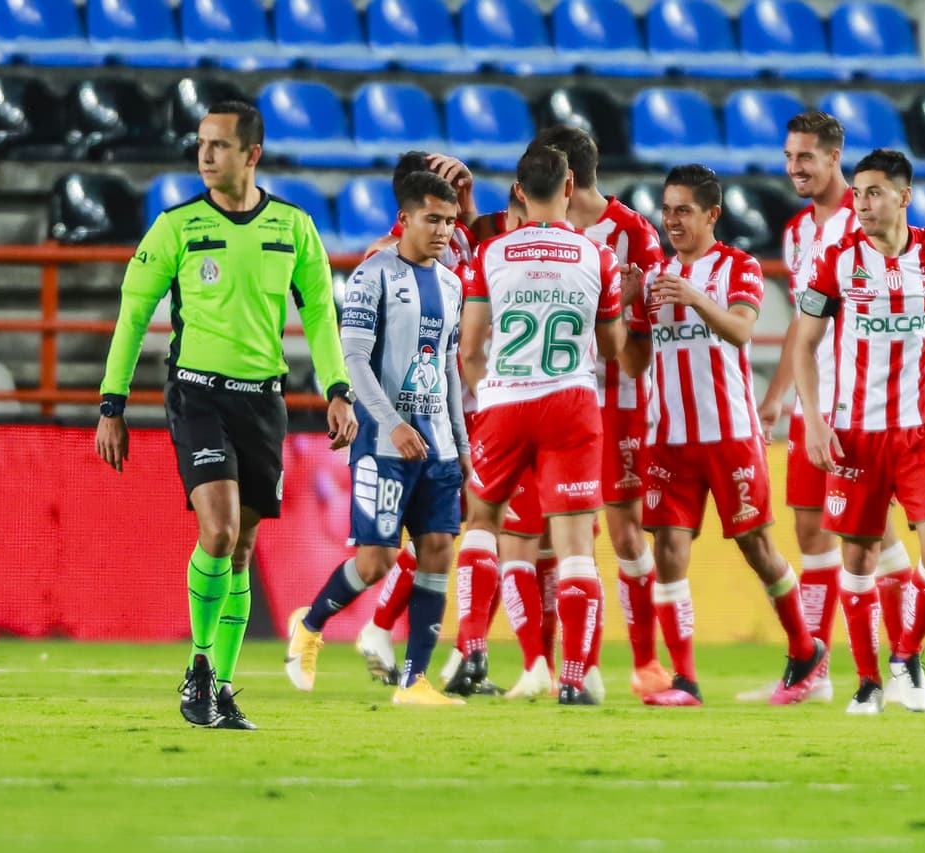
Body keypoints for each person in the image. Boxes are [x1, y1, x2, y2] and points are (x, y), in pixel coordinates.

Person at [95, 100, 358, 729]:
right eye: (201, 144)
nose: (205, 155)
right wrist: (112, 402)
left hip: (262, 400)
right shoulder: (176, 227)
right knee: (217, 531)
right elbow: (133, 314)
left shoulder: (293, 227)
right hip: (197, 395)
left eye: (219, 145)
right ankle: (200, 667)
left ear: (252, 154)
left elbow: (320, 314)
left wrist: (338, 388)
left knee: (241, 548)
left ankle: (222, 685)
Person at [793, 148, 925, 714]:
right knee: (859, 560)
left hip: (924, 431)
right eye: (857, 193)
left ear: (904, 197)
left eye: (874, 192)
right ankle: (867, 682)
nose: (862, 203)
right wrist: (813, 418)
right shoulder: (837, 260)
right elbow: (804, 344)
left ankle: (906, 656)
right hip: (856, 434)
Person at [624, 165, 826, 707]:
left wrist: (693, 298)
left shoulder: (739, 266)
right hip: (668, 438)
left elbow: (740, 329)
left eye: (684, 210)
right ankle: (685, 680)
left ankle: (805, 650)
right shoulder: (653, 278)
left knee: (757, 548)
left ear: (712, 214)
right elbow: (633, 361)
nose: (672, 221)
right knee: (668, 550)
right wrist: (623, 307)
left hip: (730, 434)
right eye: (667, 210)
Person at [742, 111, 915, 704]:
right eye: (789, 157)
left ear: (834, 157)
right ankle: (818, 669)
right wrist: (777, 398)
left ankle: (904, 660)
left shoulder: (868, 219)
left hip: (862, 405)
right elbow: (804, 320)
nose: (795, 168)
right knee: (814, 530)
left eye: (806, 157)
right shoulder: (797, 232)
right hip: (813, 403)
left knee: (867, 533)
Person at [283, 171, 469, 705]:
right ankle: (309, 625)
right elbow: (355, 362)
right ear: (405, 219)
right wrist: (392, 424)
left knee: (438, 551)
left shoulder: (452, 285)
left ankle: (414, 681)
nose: (443, 231)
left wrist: (461, 444)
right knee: (376, 562)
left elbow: (449, 370)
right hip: (385, 444)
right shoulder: (373, 276)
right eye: (432, 219)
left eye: (450, 222)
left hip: (436, 445)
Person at [458, 143, 627, 706]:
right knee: (576, 547)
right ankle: (574, 678)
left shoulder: (491, 252)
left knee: (482, 520)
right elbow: (612, 348)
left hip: (505, 402)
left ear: (518, 192)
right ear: (570, 186)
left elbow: (469, 349)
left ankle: (473, 644)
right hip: (571, 402)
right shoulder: (598, 256)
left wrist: (492, 392)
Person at [531, 124, 672, 700]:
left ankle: (645, 663)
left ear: (565, 176)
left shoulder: (635, 235)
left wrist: (612, 310)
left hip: (618, 404)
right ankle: (567, 665)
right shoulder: (537, 231)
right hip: (550, 399)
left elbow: (636, 357)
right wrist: (612, 302)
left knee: (625, 533)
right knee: (555, 535)